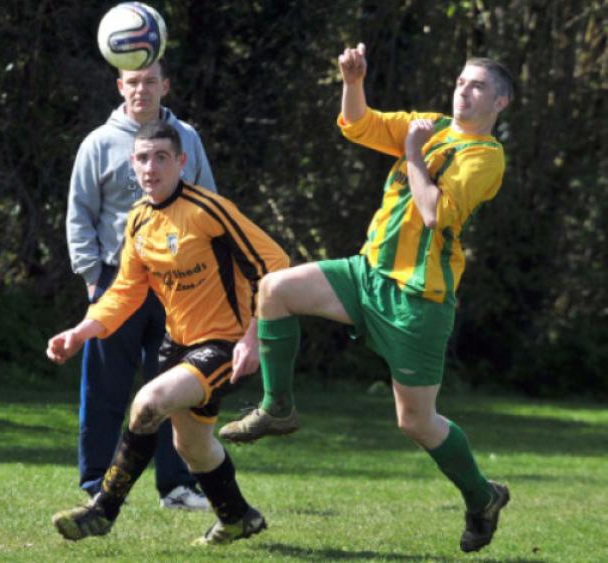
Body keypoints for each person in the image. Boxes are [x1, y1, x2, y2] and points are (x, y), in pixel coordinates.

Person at [219, 43, 514, 553]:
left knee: (416, 421)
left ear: (500, 103)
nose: (464, 90)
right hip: (366, 273)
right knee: (274, 290)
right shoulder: (430, 123)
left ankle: (481, 495)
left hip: (417, 301)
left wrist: (414, 154)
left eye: (477, 86)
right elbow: (359, 124)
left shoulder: (486, 157)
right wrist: (352, 81)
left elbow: (433, 213)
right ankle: (277, 408)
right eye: (461, 81)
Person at [48, 121, 290, 544]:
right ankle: (238, 517)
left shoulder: (208, 210)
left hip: (226, 344)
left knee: (148, 403)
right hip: (177, 346)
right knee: (192, 446)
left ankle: (101, 511)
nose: (151, 167)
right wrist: (81, 331)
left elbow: (275, 265)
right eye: (143, 158)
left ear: (181, 162)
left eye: (162, 157)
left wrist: (254, 337)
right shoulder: (139, 220)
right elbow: (125, 290)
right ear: (132, 165)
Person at [67, 59, 216, 509]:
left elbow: (210, 202)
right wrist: (94, 278)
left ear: (165, 85)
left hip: (177, 282)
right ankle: (96, 484)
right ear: (120, 85)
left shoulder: (186, 137)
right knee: (105, 388)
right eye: (133, 82)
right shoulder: (98, 143)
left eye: (151, 81)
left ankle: (176, 487)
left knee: (172, 387)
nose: (142, 90)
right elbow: (80, 214)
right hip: (117, 280)